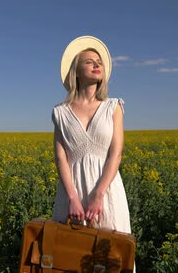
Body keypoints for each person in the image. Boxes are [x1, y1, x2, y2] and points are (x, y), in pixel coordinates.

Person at [51, 35, 133, 235]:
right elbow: (60, 157)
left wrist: (99, 195)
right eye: (89, 62)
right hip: (72, 194)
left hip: (107, 191)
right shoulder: (60, 112)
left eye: (99, 63)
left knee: (111, 254)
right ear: (76, 71)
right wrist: (72, 198)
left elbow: (116, 154)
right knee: (69, 254)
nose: (97, 65)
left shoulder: (113, 107)